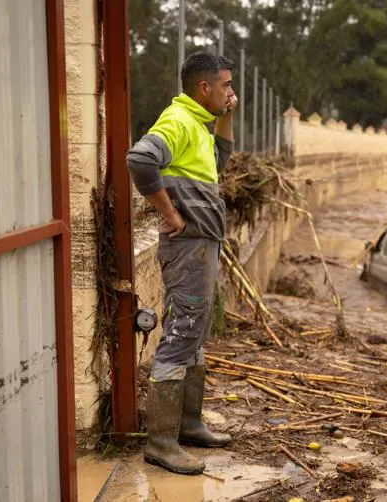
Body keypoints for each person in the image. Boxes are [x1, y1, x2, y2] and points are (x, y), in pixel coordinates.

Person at [126, 52, 237, 476]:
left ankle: (188, 425)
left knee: (194, 334)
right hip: (187, 246)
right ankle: (161, 443)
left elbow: (218, 163)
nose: (230, 92)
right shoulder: (177, 120)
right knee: (180, 336)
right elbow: (140, 160)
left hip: (201, 246)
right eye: (225, 86)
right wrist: (170, 214)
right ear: (203, 87)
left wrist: (226, 117)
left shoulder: (197, 124)